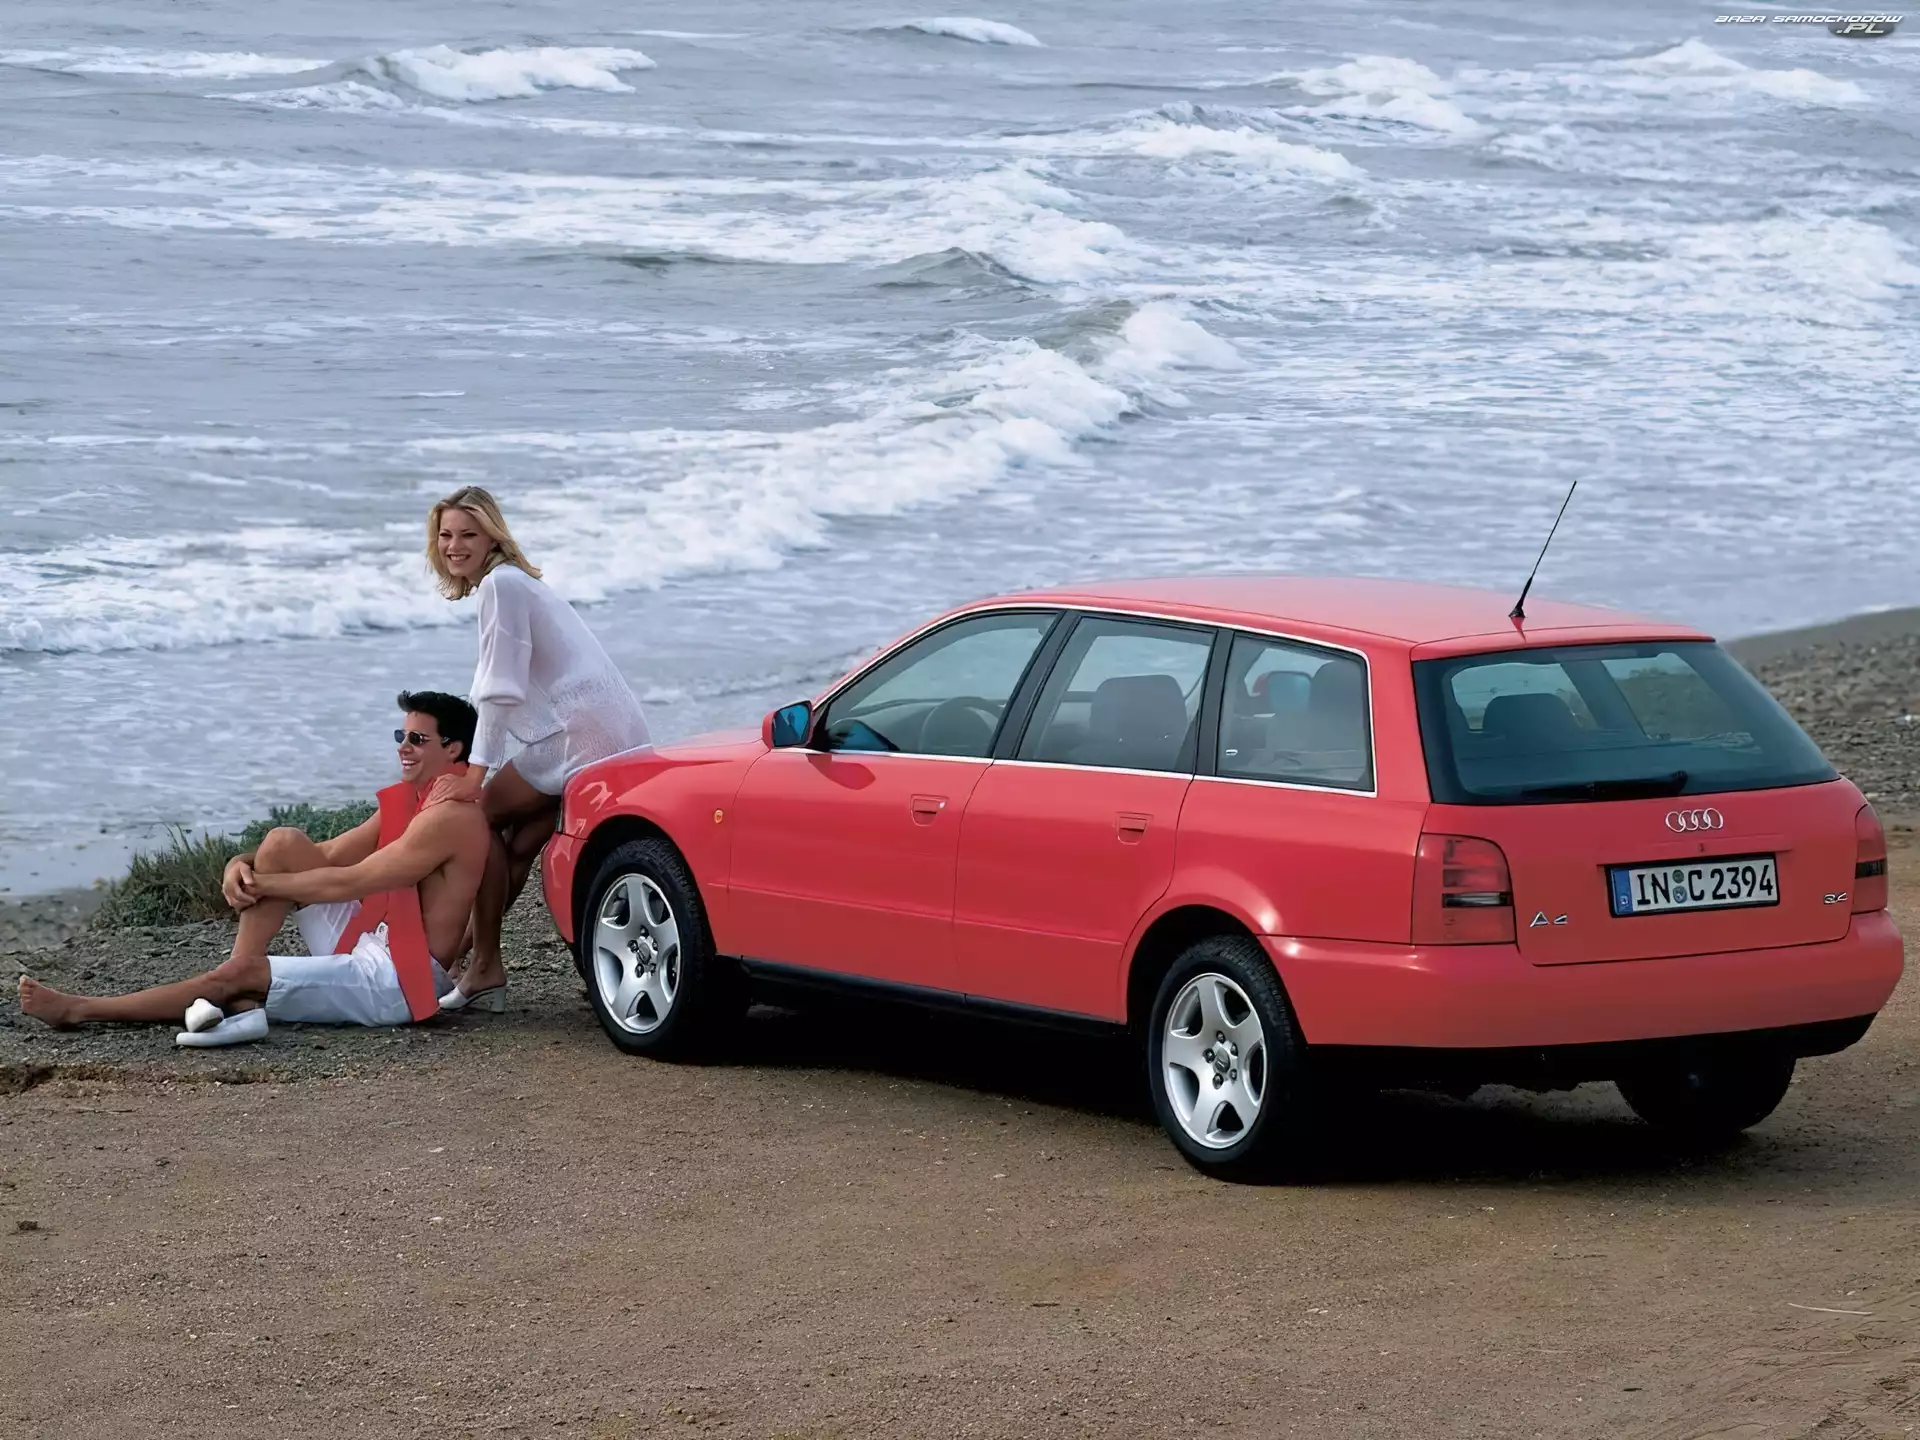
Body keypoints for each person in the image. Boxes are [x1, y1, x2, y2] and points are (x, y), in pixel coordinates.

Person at [16, 693, 490, 1045]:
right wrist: (239, 864)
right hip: (374, 937)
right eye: (400, 736)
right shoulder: (412, 800)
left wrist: (261, 884)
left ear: (453, 749)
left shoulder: (451, 817)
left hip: (398, 980)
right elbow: (325, 855)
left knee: (237, 974)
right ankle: (242, 1001)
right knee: (283, 841)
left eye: (418, 739)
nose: (403, 747)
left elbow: (353, 879)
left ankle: (81, 1009)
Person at [424, 487, 650, 1011]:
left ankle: (479, 964)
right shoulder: (513, 582)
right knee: (520, 842)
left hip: (581, 736)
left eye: (468, 534)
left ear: (492, 537)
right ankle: (465, 961)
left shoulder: (501, 585)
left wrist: (476, 774)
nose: (455, 546)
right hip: (610, 731)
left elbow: (499, 691)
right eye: (446, 535)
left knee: (478, 817)